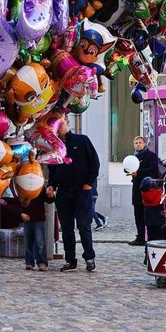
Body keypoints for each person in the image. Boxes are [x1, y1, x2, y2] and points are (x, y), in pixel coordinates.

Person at [46, 116, 100, 273]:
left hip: (82, 191)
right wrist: (51, 185)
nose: (59, 127)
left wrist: (89, 183)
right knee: (67, 228)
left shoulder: (81, 140)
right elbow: (53, 168)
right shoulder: (55, 145)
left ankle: (89, 257)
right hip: (64, 192)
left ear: (67, 124)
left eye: (61, 124)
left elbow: (94, 163)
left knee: (84, 226)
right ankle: (70, 260)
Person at [128, 136, 160, 246]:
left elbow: (153, 169)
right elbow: (128, 167)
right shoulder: (133, 157)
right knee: (138, 213)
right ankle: (140, 236)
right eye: (136, 143)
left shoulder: (150, 156)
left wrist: (138, 173)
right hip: (137, 188)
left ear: (144, 144)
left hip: (148, 190)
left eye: (140, 142)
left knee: (149, 214)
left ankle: (151, 236)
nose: (138, 144)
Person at [140, 177, 166, 265]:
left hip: (148, 220)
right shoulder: (159, 193)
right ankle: (158, 258)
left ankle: (147, 257)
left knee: (149, 239)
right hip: (159, 220)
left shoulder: (144, 194)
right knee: (159, 240)